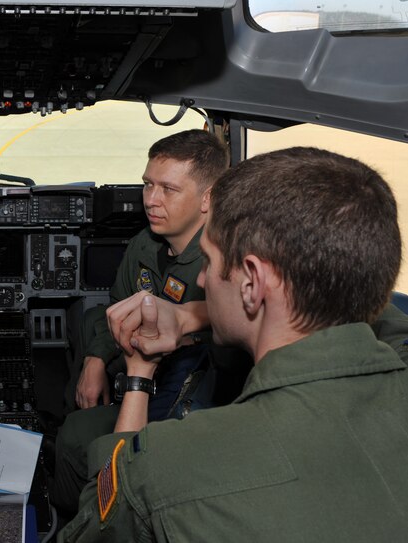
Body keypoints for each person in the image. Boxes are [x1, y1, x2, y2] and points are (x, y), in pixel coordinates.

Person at [59, 147, 408, 541]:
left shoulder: (169, 464)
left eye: (209, 261)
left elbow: (95, 526)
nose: (204, 281)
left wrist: (139, 374)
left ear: (253, 282)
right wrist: (193, 315)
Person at [51, 129, 229, 515]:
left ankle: (70, 515)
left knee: (75, 437)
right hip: (138, 366)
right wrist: (95, 361)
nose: (151, 200)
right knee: (90, 323)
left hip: (182, 394)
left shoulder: (223, 262)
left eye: (168, 189)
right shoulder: (145, 244)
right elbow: (115, 301)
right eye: (147, 184)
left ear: (208, 197)